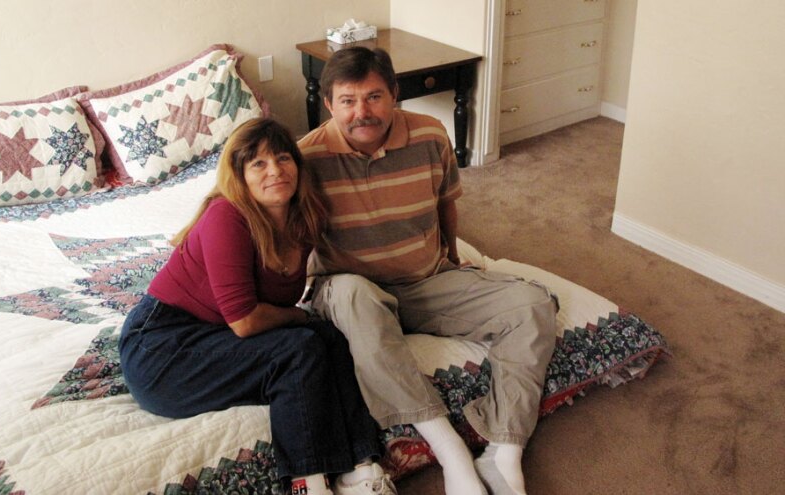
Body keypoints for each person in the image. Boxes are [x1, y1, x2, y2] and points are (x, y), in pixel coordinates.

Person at [297, 47, 559, 495]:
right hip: (350, 290)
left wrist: (454, 260)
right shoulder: (305, 158)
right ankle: (450, 450)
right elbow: (256, 215)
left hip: (425, 280)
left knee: (532, 303)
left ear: (395, 94)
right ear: (329, 104)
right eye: (348, 100)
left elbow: (445, 205)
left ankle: (503, 451)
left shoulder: (430, 135)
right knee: (359, 297)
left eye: (374, 97)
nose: (362, 112)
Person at [118, 118, 396, 495]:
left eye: (283, 159)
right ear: (240, 176)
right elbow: (246, 322)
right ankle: (308, 483)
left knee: (327, 336)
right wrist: (299, 317)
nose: (275, 171)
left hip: (212, 334)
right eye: (258, 164)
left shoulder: (302, 220)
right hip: (160, 352)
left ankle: (362, 465)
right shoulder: (226, 216)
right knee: (298, 348)